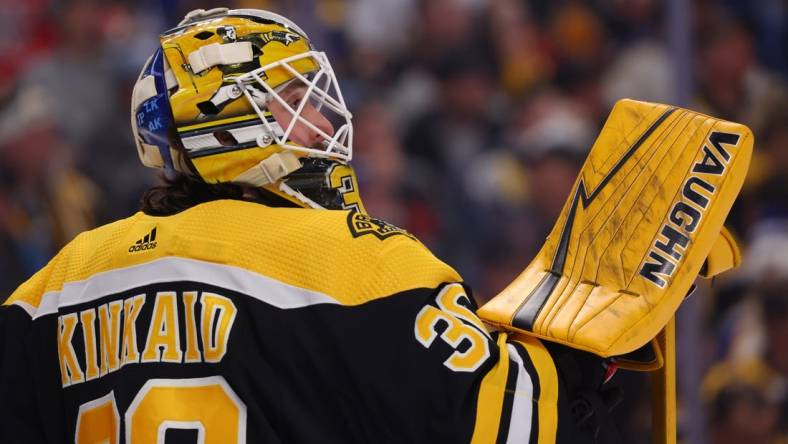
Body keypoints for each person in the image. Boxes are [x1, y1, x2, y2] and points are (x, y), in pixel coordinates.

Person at [0, 8, 623, 443]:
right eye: (292, 103)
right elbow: (515, 425)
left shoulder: (53, 285)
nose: (321, 125)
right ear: (229, 124)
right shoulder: (361, 265)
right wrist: (600, 330)